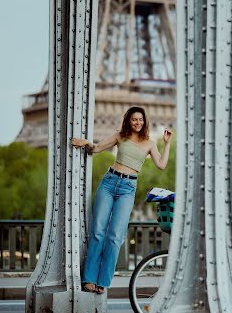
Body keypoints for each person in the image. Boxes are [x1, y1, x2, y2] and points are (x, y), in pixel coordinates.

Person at [72, 106, 172, 294]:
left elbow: (161, 165)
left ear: (145, 122)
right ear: (128, 120)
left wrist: (167, 143)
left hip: (128, 188)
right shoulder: (120, 136)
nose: (137, 123)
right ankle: (89, 278)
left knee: (115, 236)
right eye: (134, 119)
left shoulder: (150, 143)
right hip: (109, 183)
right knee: (97, 231)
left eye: (140, 120)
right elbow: (97, 148)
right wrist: (86, 142)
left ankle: (103, 281)